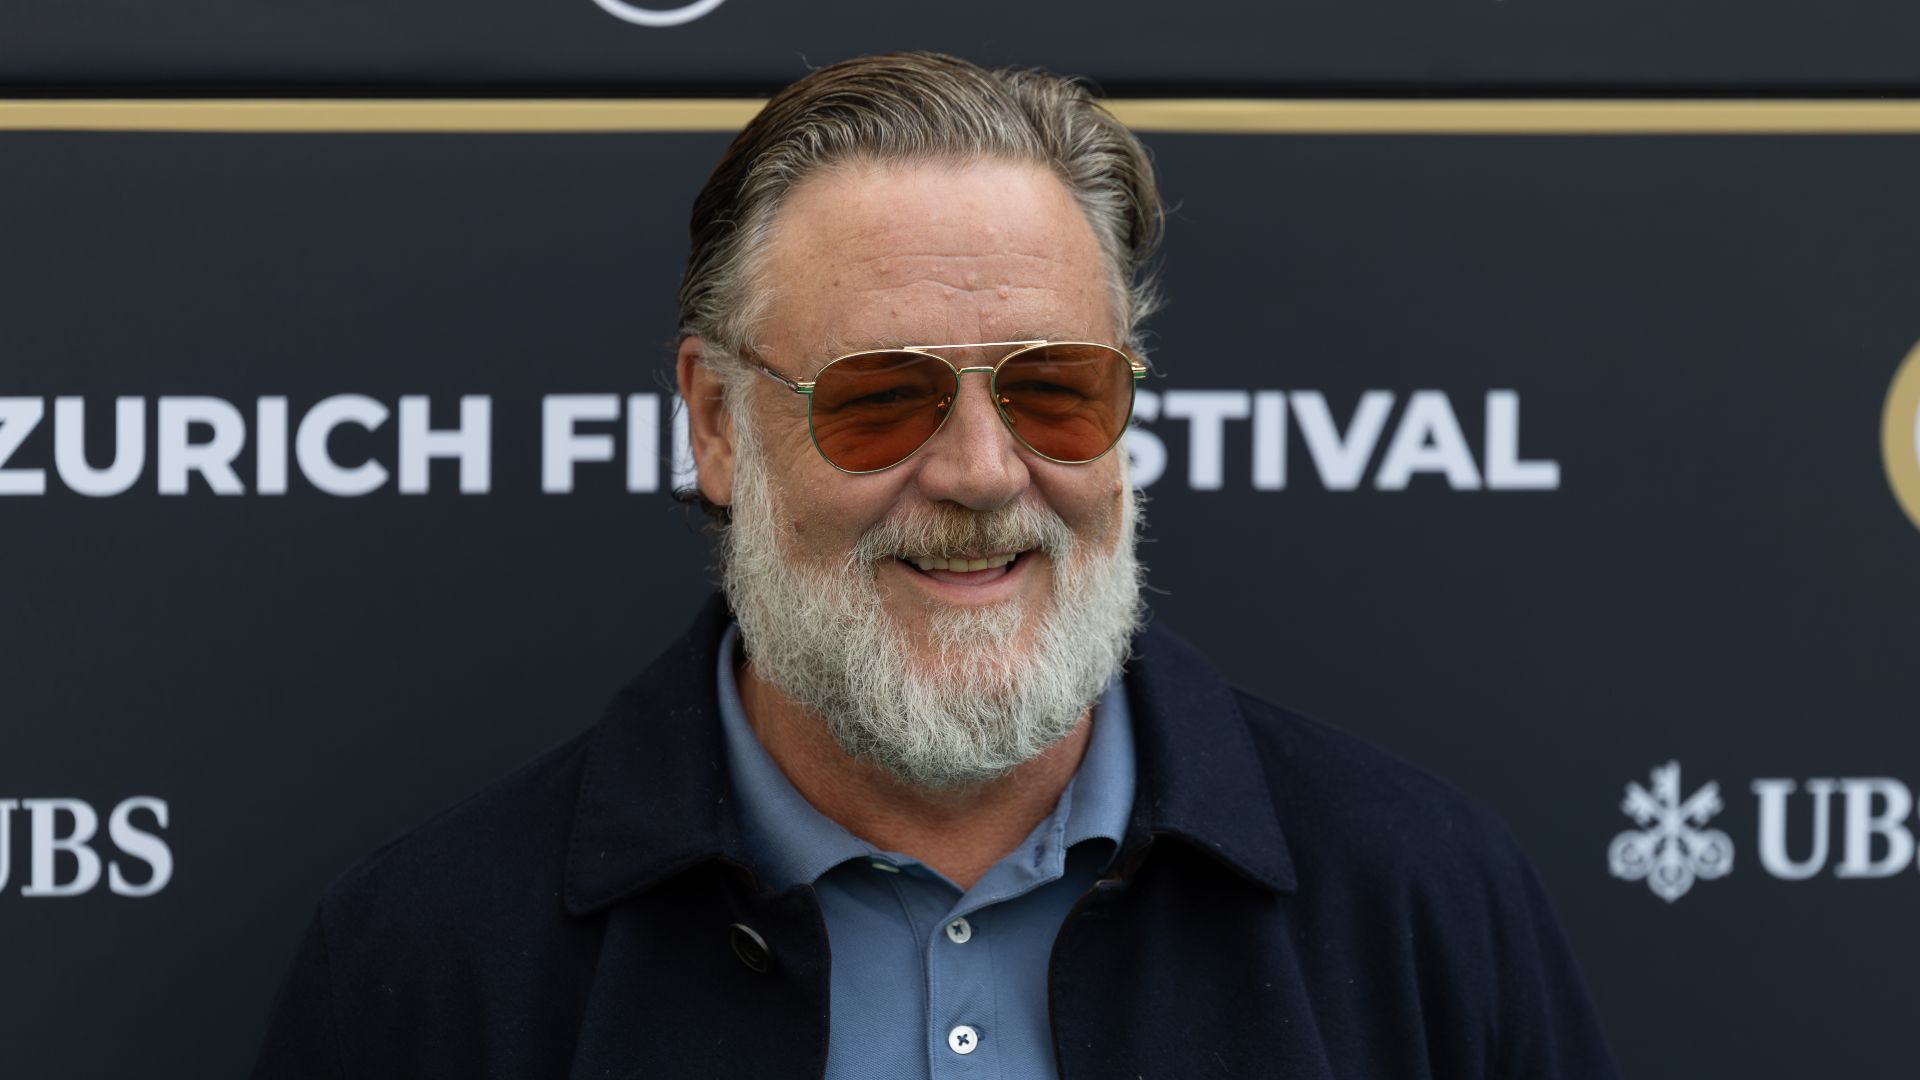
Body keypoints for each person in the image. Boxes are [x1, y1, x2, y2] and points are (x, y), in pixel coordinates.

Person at [252, 52, 1618, 1079]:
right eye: (880, 399)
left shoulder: (1424, 908)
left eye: (1057, 391)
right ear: (720, 423)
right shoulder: (429, 966)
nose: (978, 472)